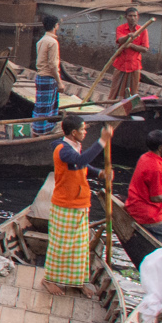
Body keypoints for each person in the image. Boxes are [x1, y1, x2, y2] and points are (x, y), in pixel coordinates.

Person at [47, 116, 105, 292]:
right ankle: (49, 280)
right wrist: (102, 141)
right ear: (73, 133)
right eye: (83, 129)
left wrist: (99, 173)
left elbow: (81, 167)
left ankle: (76, 281)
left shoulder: (74, 147)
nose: (85, 132)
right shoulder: (62, 150)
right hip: (66, 203)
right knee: (61, 245)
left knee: (79, 247)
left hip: (80, 202)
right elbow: (80, 161)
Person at [33, 17, 64, 134]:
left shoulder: (41, 40)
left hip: (40, 76)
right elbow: (52, 65)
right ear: (55, 26)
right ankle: (43, 130)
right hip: (48, 77)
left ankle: (39, 128)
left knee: (41, 105)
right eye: (58, 25)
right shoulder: (52, 42)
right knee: (47, 107)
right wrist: (59, 82)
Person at [111, 8, 149, 100]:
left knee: (133, 92)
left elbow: (145, 49)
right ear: (126, 17)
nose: (133, 18)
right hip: (121, 64)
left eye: (135, 16)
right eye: (130, 16)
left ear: (138, 17)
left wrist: (131, 45)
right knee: (115, 91)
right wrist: (128, 36)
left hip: (134, 65)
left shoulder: (142, 30)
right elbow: (120, 40)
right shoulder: (120, 28)